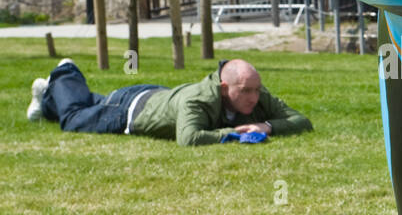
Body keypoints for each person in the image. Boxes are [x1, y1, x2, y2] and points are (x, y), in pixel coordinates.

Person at [26, 57, 312, 146]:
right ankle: (66, 73)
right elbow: (188, 139)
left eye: (256, 89)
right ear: (225, 88)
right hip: (129, 111)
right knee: (75, 118)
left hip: (159, 96)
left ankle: (47, 96)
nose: (254, 96)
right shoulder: (197, 101)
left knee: (91, 105)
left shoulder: (256, 93)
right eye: (246, 91)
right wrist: (237, 133)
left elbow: (302, 122)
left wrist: (267, 126)